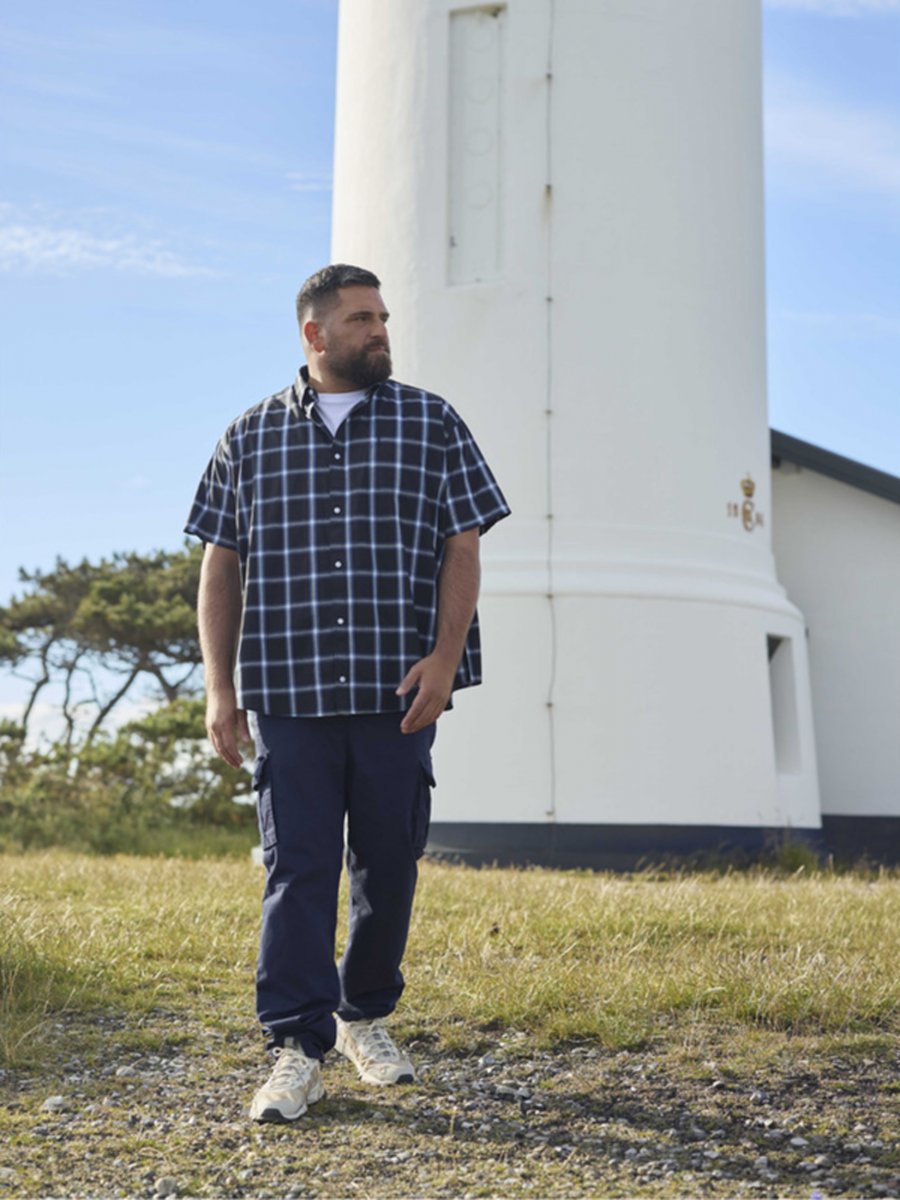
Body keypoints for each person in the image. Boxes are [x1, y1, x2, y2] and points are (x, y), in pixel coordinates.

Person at [185, 264, 510, 1123]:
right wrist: (220, 686)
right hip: (287, 692)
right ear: (315, 333)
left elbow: (464, 546)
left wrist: (445, 659)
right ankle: (296, 1047)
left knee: (389, 860)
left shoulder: (432, 422)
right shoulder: (248, 435)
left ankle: (363, 1015)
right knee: (298, 868)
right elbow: (221, 562)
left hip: (396, 687)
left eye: (383, 316)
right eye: (363, 318)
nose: (381, 331)